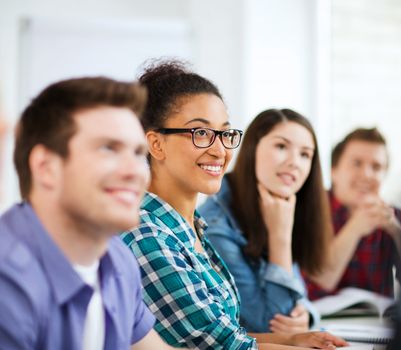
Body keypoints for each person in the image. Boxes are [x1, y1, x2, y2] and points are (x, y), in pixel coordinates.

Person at [120, 60, 347, 349]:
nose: (220, 150)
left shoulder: (190, 228)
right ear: (156, 144)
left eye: (225, 134)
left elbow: (225, 335)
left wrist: (293, 338)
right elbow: (224, 348)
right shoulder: (147, 234)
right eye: (200, 133)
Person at [0, 77, 183, 349]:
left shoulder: (117, 259)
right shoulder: (8, 278)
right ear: (45, 167)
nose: (135, 171)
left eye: (137, 153)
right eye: (108, 148)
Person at [199, 108, 330, 333]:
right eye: (281, 147)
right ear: (252, 149)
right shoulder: (216, 225)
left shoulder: (278, 204)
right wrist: (280, 238)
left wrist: (308, 315)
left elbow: (298, 300)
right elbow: (269, 324)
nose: (294, 163)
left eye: (305, 154)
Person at [305, 127, 401, 300]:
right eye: (357, 163)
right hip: (318, 323)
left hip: (374, 324)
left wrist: (397, 232)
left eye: (376, 167)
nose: (367, 174)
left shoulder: (396, 218)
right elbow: (315, 283)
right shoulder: (309, 210)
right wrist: (355, 228)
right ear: (334, 171)